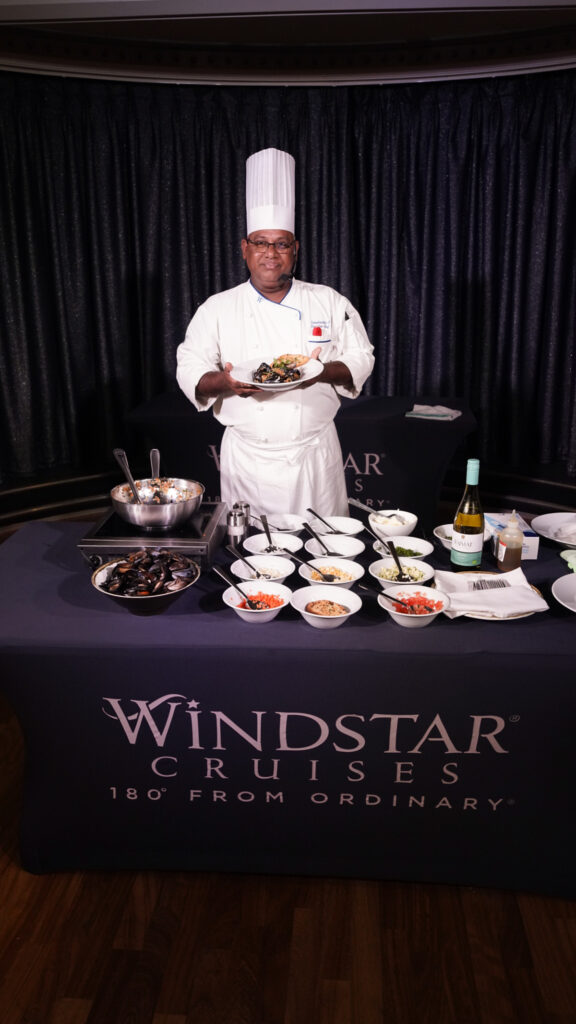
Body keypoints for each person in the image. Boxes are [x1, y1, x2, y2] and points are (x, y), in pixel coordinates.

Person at [176, 148, 374, 526]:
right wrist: (227, 382)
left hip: (314, 458)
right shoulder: (217, 307)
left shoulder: (327, 299)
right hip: (249, 463)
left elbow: (361, 356)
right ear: (245, 249)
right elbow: (190, 368)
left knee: (326, 558)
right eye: (261, 243)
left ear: (295, 249)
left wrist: (320, 371)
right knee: (255, 555)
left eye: (281, 244)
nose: (271, 253)